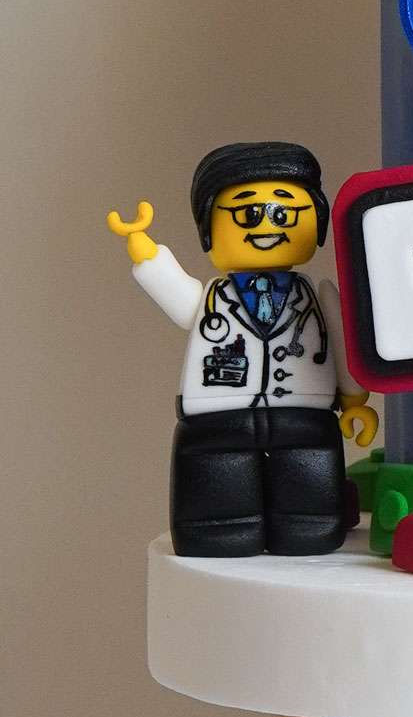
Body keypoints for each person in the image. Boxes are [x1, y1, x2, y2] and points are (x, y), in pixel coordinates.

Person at [109, 142, 377, 556]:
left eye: (285, 214)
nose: (267, 225)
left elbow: (340, 346)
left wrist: (355, 400)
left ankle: (307, 525)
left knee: (308, 479)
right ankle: (219, 528)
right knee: (216, 477)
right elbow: (179, 300)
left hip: (304, 412)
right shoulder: (211, 298)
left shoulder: (318, 296)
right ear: (208, 228)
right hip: (219, 412)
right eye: (247, 214)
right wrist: (146, 251)